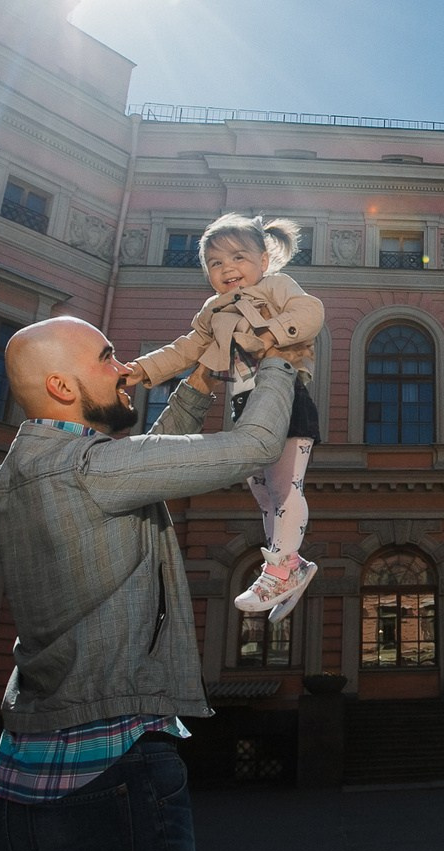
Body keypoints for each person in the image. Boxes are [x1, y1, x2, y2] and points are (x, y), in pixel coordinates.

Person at [0, 315, 296, 851]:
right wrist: (281, 358)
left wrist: (200, 380)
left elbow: (141, 462)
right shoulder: (92, 473)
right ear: (61, 383)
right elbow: (257, 446)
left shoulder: (14, 475)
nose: (126, 367)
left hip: (15, 789)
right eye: (107, 356)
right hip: (110, 783)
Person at [129, 214, 325, 620]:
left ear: (264, 261)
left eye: (238, 257)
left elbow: (310, 311)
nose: (227, 268)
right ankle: (291, 567)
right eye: (215, 263)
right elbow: (186, 349)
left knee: (285, 486)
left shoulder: (276, 287)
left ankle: (281, 566)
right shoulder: (212, 310)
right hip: (245, 409)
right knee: (264, 494)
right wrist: (143, 369)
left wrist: (274, 333)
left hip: (287, 397)